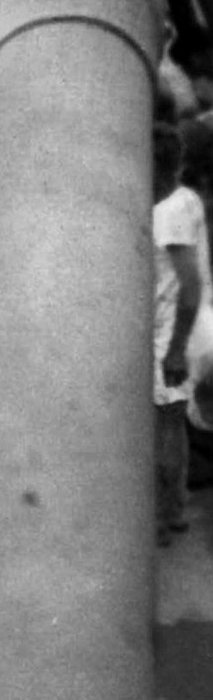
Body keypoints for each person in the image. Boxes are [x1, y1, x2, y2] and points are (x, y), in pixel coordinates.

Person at [154, 121, 206, 544]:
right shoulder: (186, 199)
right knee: (173, 426)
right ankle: (176, 510)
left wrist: (173, 350)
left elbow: (189, 285)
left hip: (172, 334)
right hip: (187, 329)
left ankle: (164, 518)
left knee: (164, 429)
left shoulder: (166, 214)